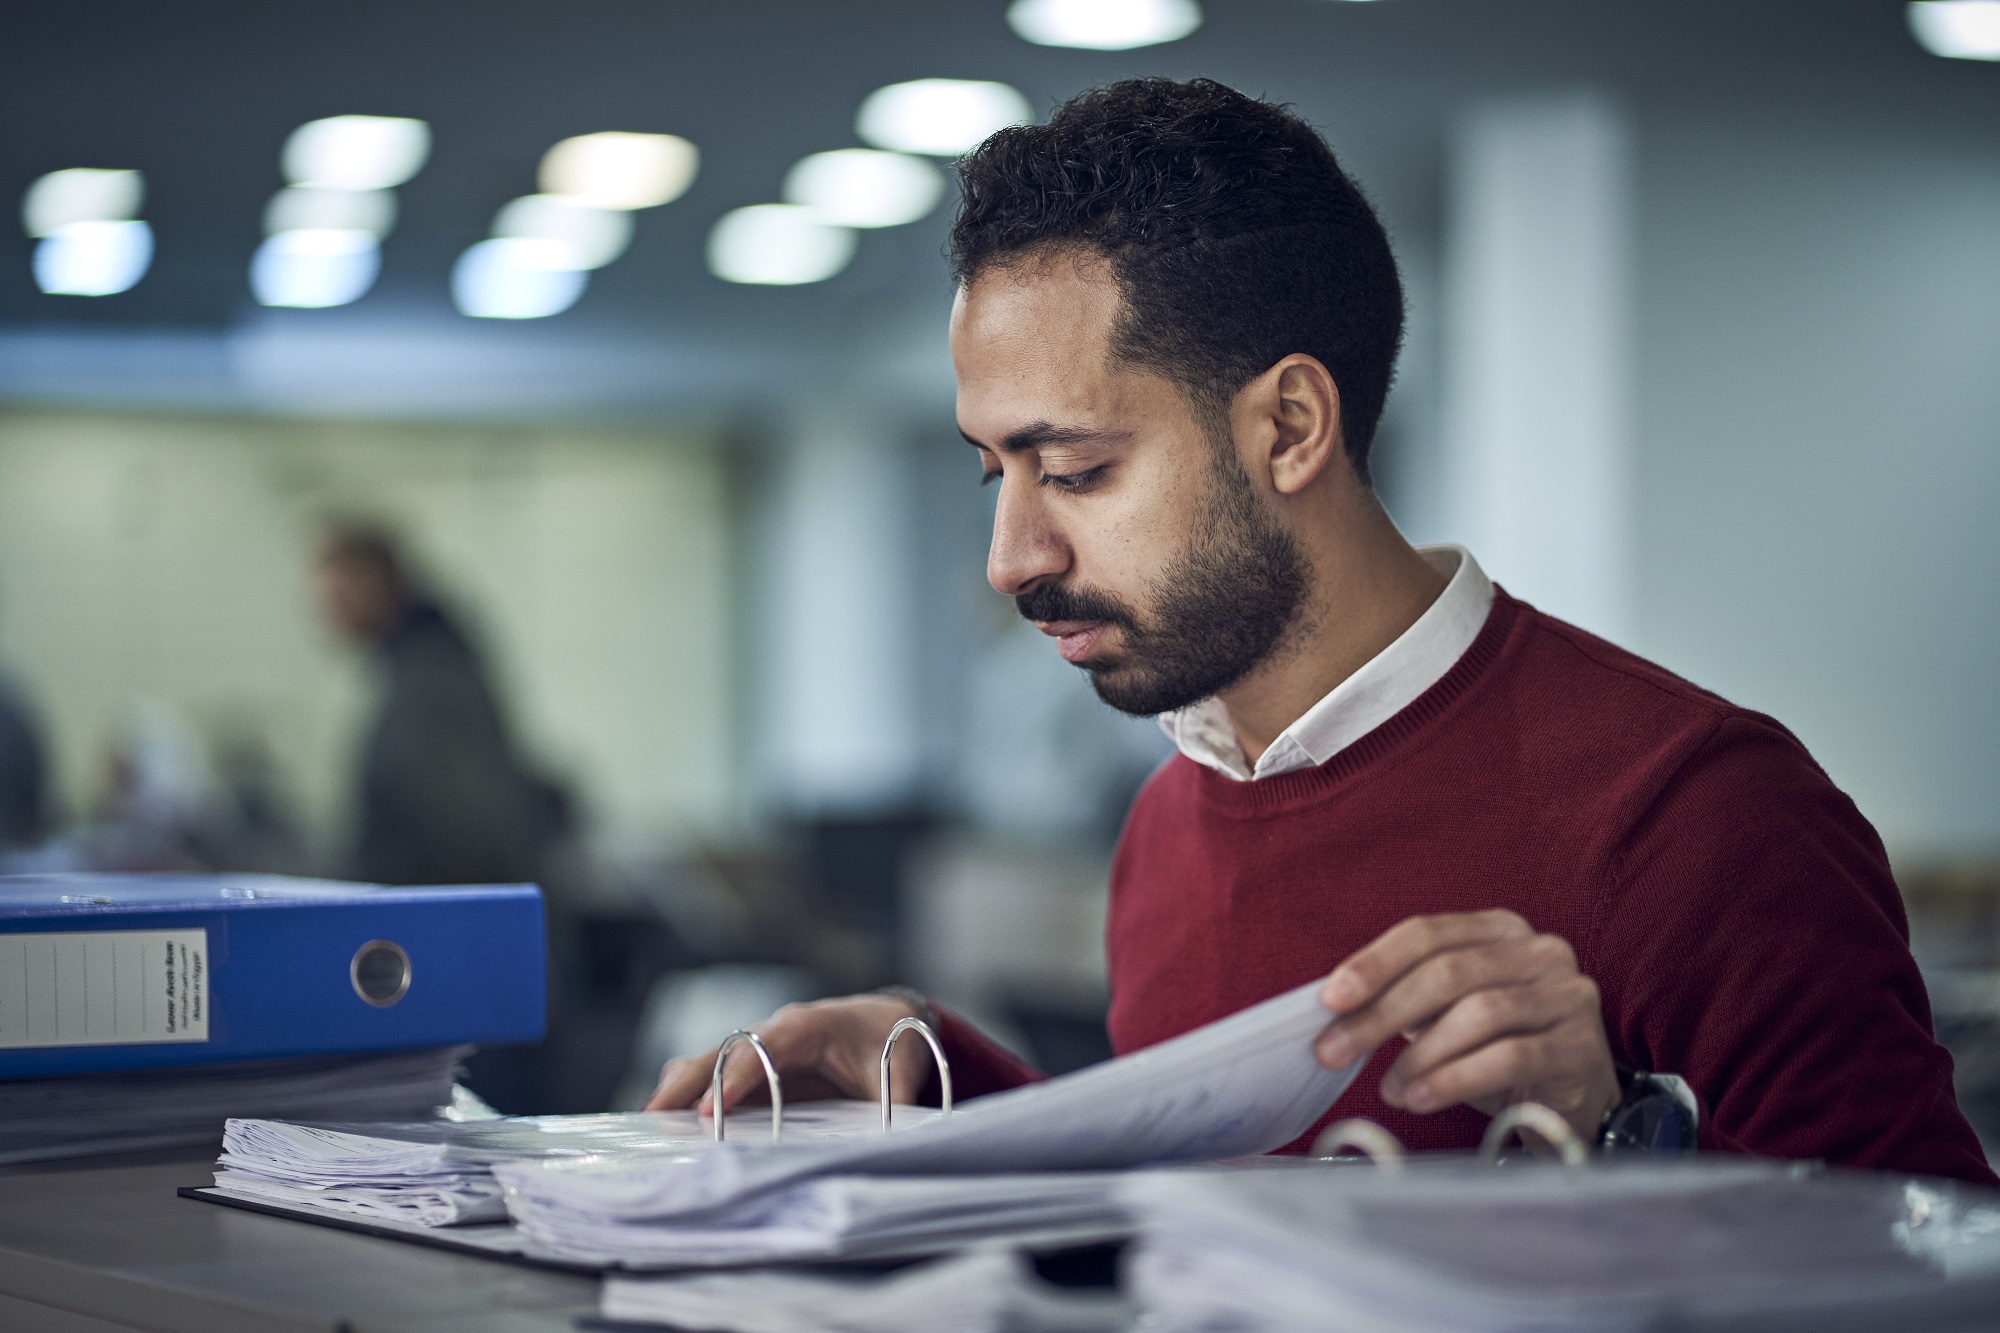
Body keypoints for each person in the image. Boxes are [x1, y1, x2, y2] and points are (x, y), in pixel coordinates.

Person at [651, 79, 1993, 1182]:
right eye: (990, 472)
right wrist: (944, 1081)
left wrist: (1619, 1127)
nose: (1013, 560)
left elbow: (1935, 1280)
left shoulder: (1699, 816)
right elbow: (1224, 1212)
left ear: (1290, 427)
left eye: (1072, 471)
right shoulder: (1167, 831)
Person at [316, 524, 545, 888]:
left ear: (374, 583)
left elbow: (457, 832)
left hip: (440, 920)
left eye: (337, 593)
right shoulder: (425, 663)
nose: (326, 611)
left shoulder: (430, 680)